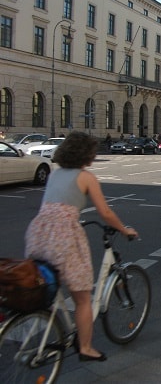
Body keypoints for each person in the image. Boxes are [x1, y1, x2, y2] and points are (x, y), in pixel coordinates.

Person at [25, 132, 138, 362]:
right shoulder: (86, 177)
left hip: (38, 231)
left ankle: (52, 324)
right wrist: (124, 229)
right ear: (86, 153)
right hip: (64, 235)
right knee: (83, 298)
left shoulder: (55, 174)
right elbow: (105, 213)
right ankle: (85, 347)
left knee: (49, 280)